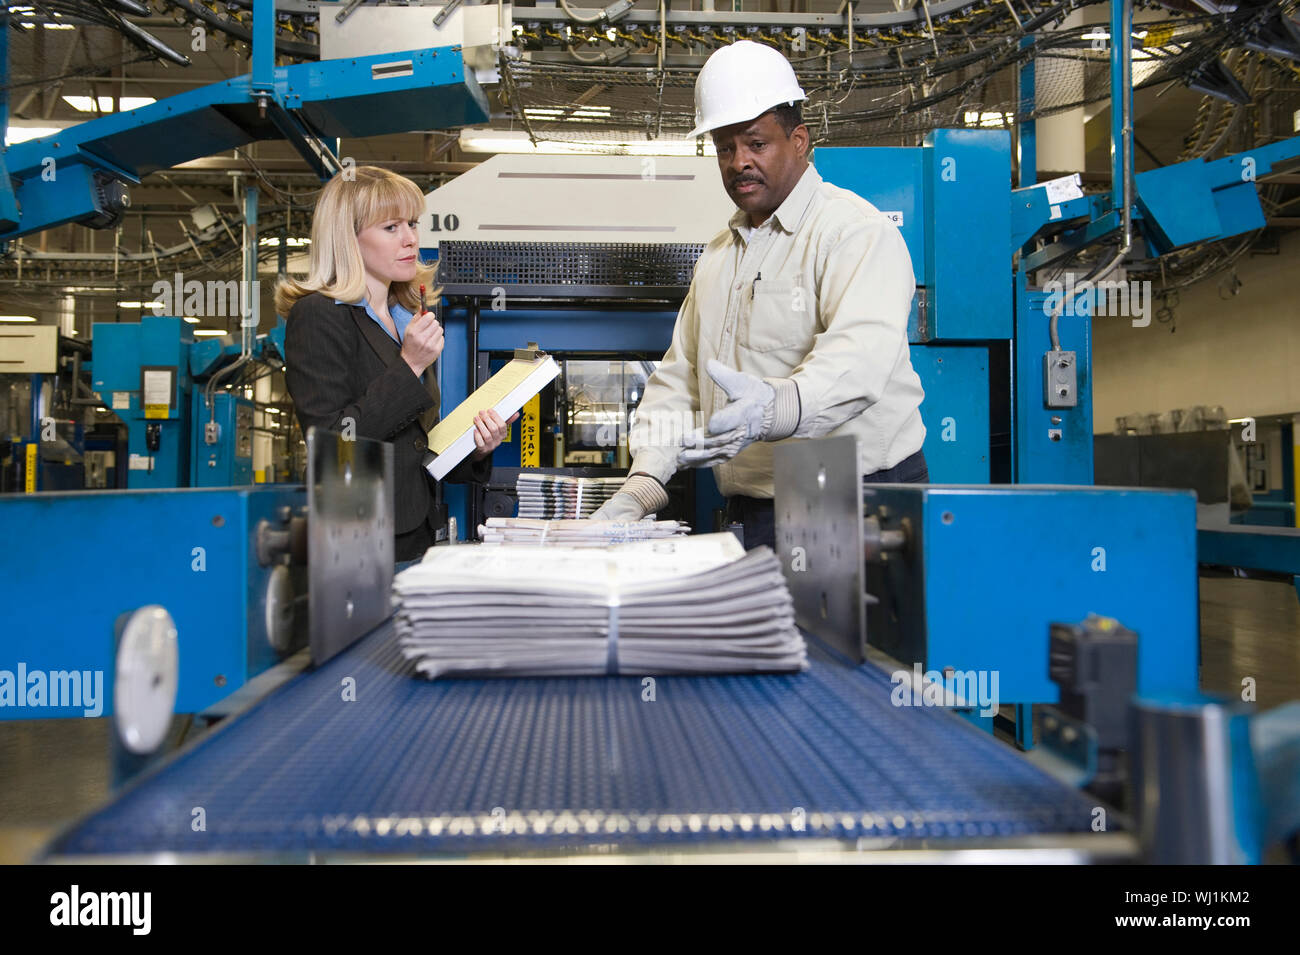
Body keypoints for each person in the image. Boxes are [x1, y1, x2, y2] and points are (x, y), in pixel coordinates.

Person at [590, 40, 928, 548]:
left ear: (799, 141)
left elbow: (859, 362)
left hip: (858, 502)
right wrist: (644, 483)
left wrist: (774, 408)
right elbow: (680, 379)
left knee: (851, 632)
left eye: (756, 143)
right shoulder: (719, 256)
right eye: (725, 148)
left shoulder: (854, 232)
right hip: (753, 511)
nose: (738, 162)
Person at [276, 166, 513, 564]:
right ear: (347, 238)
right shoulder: (319, 315)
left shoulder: (406, 317)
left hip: (417, 531)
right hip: (355, 540)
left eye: (412, 223)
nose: (410, 239)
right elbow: (333, 444)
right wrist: (409, 366)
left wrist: (476, 448)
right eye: (391, 227)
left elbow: (417, 445)